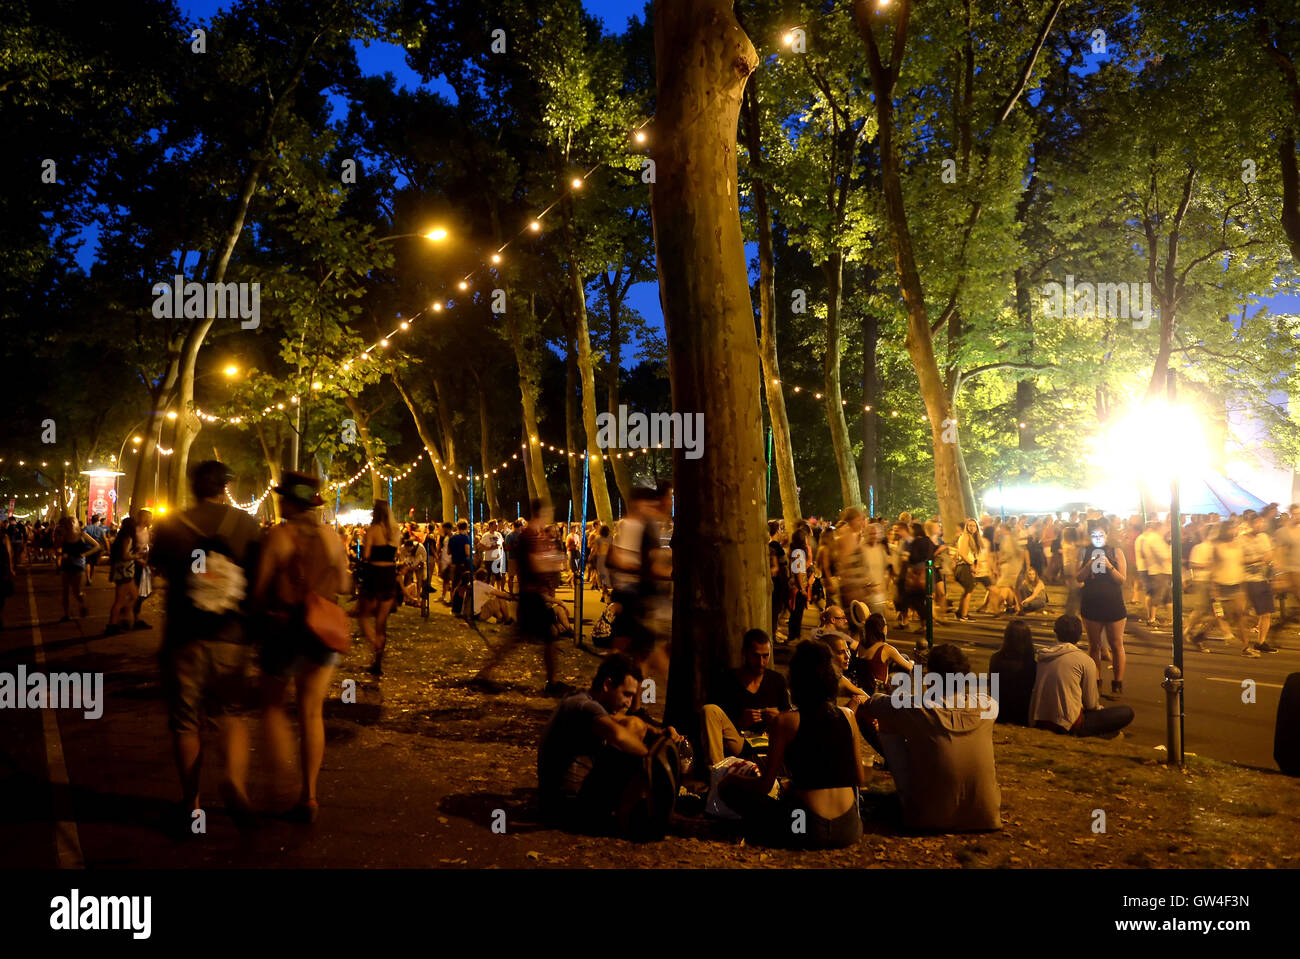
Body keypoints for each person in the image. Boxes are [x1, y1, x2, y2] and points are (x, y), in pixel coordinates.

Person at [149, 461, 262, 830]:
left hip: (184, 636)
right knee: (230, 713)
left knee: (185, 722)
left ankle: (192, 802)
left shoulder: (171, 526)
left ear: (193, 487)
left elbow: (159, 568)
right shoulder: (246, 525)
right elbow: (258, 576)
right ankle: (233, 779)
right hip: (232, 635)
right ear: (224, 487)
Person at [252, 472, 352, 824]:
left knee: (273, 706)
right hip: (323, 628)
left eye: (282, 496)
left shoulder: (280, 536)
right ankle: (309, 794)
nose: (279, 500)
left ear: (289, 501)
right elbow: (343, 582)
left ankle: (282, 779)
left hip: (287, 628)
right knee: (312, 713)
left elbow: (260, 586)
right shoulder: (331, 537)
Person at [717, 640, 866, 848]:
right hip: (849, 828)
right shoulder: (848, 715)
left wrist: (733, 779)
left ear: (796, 680)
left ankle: (764, 831)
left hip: (806, 827)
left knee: (731, 791)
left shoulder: (786, 721)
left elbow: (764, 786)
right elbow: (859, 777)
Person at [537, 653, 682, 832]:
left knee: (635, 725)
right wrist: (651, 759)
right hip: (566, 809)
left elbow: (620, 719)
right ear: (607, 685)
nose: (629, 702)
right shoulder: (583, 706)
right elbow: (618, 736)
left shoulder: (585, 700)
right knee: (631, 744)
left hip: (563, 803)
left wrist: (658, 732)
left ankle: (632, 810)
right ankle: (626, 818)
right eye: (626, 694)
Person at [865, 644, 1002, 832]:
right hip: (985, 815)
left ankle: (911, 799)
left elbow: (872, 704)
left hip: (927, 817)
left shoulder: (917, 707)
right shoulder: (987, 705)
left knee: (888, 723)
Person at [473, 499, 570, 696]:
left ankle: (485, 675)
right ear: (541, 512)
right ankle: (551, 682)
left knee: (517, 640)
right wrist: (554, 562)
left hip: (533, 595)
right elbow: (536, 564)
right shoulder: (531, 535)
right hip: (531, 595)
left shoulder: (535, 534)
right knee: (538, 638)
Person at [1029, 615, 1134, 737]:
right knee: (1126, 712)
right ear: (1079, 635)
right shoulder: (1085, 661)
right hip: (1067, 724)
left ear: (1055, 632)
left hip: (1038, 720)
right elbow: (1091, 704)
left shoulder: (1042, 656)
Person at [699, 629, 791, 766]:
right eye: (756, 656)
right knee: (709, 710)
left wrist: (778, 718)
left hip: (770, 742)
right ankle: (716, 771)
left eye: (766, 656)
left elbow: (790, 718)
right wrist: (740, 721)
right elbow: (716, 722)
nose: (761, 662)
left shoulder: (777, 680)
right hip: (740, 741)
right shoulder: (728, 680)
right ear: (745, 653)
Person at [1078, 518, 1129, 693]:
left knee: (1116, 644)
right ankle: (1096, 682)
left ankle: (1117, 683)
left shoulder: (1116, 552)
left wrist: (1108, 566)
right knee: (1094, 645)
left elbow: (1122, 579)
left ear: (1107, 535)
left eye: (1101, 534)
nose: (1098, 538)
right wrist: (1089, 565)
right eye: (1094, 535)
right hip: (1091, 604)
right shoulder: (1085, 552)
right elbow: (1078, 578)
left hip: (1113, 604)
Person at [358, 501, 400, 675]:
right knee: (381, 622)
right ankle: (377, 662)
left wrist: (365, 542)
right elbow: (395, 553)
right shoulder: (395, 531)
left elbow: (366, 555)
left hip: (374, 574)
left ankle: (375, 643)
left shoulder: (373, 530)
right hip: (389, 574)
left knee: (363, 616)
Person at [1241, 513, 1279, 654]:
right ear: (1249, 524)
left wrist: (1268, 560)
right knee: (1244, 614)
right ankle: (1245, 643)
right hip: (1248, 580)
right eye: (1256, 523)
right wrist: (1256, 559)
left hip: (1263, 579)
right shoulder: (1241, 540)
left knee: (1266, 613)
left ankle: (1261, 642)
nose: (1259, 526)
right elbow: (1239, 559)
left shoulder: (1264, 537)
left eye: (1260, 523)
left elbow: (1269, 554)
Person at [989, 620, 1037, 726]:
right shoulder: (1031, 663)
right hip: (1022, 714)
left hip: (1000, 712)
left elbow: (993, 689)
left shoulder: (996, 659)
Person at [56, 516, 101, 622]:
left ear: (76, 523)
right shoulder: (64, 536)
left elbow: (97, 546)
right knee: (65, 590)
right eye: (69, 522)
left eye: (73, 521)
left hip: (78, 564)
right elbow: (57, 548)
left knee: (76, 591)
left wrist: (85, 554)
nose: (71, 523)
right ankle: (66, 614)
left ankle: (83, 602)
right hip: (66, 564)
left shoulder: (82, 535)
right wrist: (61, 553)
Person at [105, 516, 143, 634]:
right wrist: (136, 556)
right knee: (119, 601)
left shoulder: (122, 537)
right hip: (124, 571)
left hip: (125, 571)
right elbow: (125, 555)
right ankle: (112, 624)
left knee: (134, 596)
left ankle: (122, 617)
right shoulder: (127, 538)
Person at [787, 523, 812, 643]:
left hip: (797, 586)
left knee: (796, 613)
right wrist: (802, 589)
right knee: (797, 613)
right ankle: (794, 637)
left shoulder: (796, 551)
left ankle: (794, 636)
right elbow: (798, 572)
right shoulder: (798, 553)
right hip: (798, 588)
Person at [768, 521, 791, 641]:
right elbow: (778, 566)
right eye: (781, 529)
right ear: (777, 531)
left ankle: (774, 631)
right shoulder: (776, 546)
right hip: (779, 582)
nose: (782, 532)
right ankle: (773, 633)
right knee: (776, 609)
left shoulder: (770, 545)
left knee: (775, 609)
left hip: (775, 581)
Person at [83, 514, 108, 585]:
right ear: (98, 521)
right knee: (92, 564)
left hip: (87, 547)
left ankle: (88, 578)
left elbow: (83, 536)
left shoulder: (86, 528)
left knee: (87, 562)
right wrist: (108, 549)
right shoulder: (100, 529)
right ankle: (90, 577)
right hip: (96, 549)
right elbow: (105, 539)